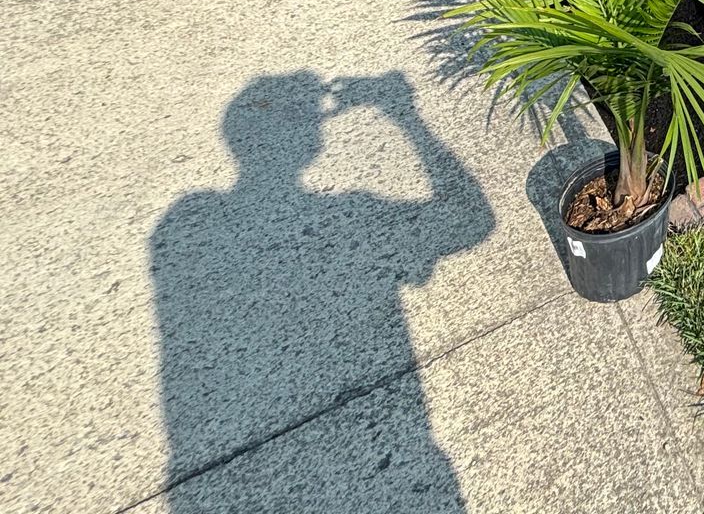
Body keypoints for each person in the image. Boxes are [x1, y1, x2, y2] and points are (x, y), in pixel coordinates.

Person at [150, 70, 493, 509]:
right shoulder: (354, 215)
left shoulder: (185, 223)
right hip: (388, 468)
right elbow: (470, 222)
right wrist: (404, 115)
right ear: (312, 139)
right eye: (317, 115)